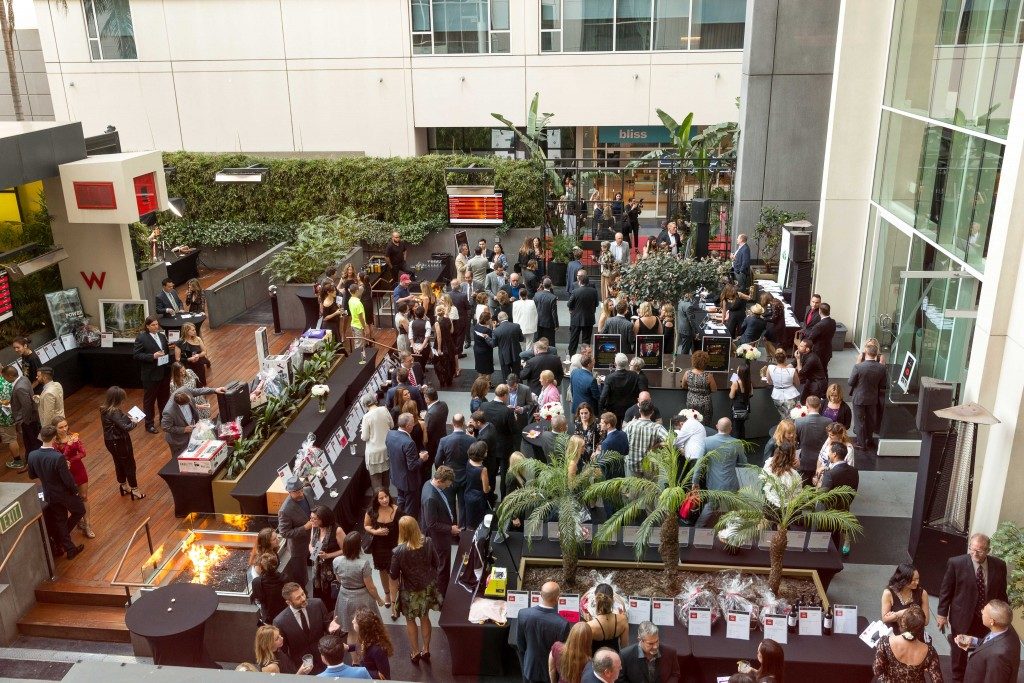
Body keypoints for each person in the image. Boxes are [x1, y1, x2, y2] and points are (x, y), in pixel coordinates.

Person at [937, 533, 1009, 682]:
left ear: (988, 550)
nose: (974, 553)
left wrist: (1004, 616)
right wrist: (942, 614)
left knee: (984, 649)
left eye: (980, 550)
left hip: (988, 619)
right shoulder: (956, 563)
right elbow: (946, 590)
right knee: (959, 652)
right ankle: (958, 678)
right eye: (972, 549)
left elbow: (1002, 594)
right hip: (962, 616)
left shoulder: (999, 565)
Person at [390, 517, 442, 664]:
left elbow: (393, 575)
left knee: (410, 620)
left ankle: (414, 652)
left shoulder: (398, 551)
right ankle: (426, 650)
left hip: (409, 592)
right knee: (425, 617)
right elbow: (437, 563)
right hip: (426, 588)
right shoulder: (428, 542)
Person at [28, 425, 85, 560]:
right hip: (64, 493)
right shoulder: (57, 457)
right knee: (79, 511)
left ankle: (68, 547)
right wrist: (75, 491)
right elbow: (67, 480)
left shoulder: (32, 455)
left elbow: (32, 475)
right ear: (54, 438)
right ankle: (61, 539)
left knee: (60, 520)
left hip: (49, 493)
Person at [331, 530, 385, 650]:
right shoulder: (363, 564)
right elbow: (370, 587)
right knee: (366, 631)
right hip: (362, 598)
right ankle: (367, 657)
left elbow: (339, 579)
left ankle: (355, 660)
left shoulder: (337, 561)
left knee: (351, 632)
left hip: (344, 596)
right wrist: (379, 599)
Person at [273, 582, 337, 674]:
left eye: (303, 594)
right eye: (298, 598)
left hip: (323, 658)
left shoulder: (318, 604)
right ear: (288, 602)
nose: (303, 598)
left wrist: (330, 628)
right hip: (301, 666)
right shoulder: (280, 621)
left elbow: (326, 624)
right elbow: (283, 650)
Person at [517, 580, 571, 683]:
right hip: (550, 673)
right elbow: (561, 654)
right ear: (558, 598)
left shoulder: (523, 614)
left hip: (530, 667)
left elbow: (520, 645)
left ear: (541, 594)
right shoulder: (563, 624)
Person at [872, 606, 942, 683]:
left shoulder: (885, 642)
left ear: (902, 624)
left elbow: (877, 671)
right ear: (921, 628)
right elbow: (937, 680)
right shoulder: (930, 652)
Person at [697, 418, 748, 526]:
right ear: (730, 429)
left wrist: (695, 481)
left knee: (711, 506)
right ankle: (732, 531)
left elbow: (699, 463)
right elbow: (744, 463)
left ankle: (698, 528)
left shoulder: (707, 441)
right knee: (733, 508)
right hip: (731, 482)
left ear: (716, 426)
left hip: (714, 482)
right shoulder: (737, 443)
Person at [363, 488, 401, 621]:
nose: (385, 500)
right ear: (376, 500)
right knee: (382, 571)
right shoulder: (372, 511)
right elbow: (366, 525)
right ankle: (387, 594)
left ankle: (394, 604)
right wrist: (375, 532)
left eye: (386, 496)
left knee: (394, 574)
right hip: (378, 547)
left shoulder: (397, 510)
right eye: (381, 498)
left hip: (394, 546)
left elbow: (403, 527)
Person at [960, 599, 1020, 683]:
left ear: (992, 621)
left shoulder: (999, 657)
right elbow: (993, 642)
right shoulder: (1006, 628)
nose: (982, 612)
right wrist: (974, 641)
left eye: (983, 611)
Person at [99, 386, 143, 500]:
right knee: (129, 464)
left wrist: (126, 417)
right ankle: (135, 489)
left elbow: (118, 422)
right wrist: (134, 421)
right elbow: (126, 427)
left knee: (118, 462)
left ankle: (123, 485)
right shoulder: (114, 412)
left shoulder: (104, 409)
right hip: (119, 442)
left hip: (110, 442)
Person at [420, 465, 458, 596]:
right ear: (440, 481)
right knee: (443, 567)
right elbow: (432, 524)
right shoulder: (431, 497)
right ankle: (442, 596)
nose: (448, 487)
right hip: (438, 539)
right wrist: (450, 529)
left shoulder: (428, 484)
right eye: (447, 484)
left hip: (440, 535)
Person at [52, 417, 92, 538]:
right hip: (66, 474)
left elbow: (83, 452)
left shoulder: (74, 436)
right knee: (73, 498)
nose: (64, 429)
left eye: (65, 426)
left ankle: (88, 524)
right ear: (55, 429)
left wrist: (71, 459)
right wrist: (68, 447)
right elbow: (59, 459)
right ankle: (78, 519)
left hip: (78, 469)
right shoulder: (54, 443)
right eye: (61, 427)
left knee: (84, 497)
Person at [160, 386, 224, 458]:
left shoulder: (185, 389)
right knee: (183, 458)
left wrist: (215, 390)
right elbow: (165, 427)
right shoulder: (169, 412)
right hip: (179, 440)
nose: (190, 402)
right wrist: (183, 429)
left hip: (194, 432)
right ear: (181, 405)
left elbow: (199, 391)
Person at [133, 316, 172, 433]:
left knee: (164, 398)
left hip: (164, 372)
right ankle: (149, 424)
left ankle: (164, 420)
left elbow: (166, 350)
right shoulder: (141, 338)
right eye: (153, 325)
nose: (156, 327)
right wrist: (152, 356)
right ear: (147, 326)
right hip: (151, 375)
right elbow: (136, 355)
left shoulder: (161, 336)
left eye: (157, 324)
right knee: (149, 401)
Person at [818, 442, 859, 555]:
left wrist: (819, 482)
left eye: (829, 452)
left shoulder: (830, 474)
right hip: (844, 508)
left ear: (834, 454)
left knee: (826, 539)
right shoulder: (854, 471)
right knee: (836, 537)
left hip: (828, 513)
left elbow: (822, 496)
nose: (828, 454)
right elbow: (853, 490)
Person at [387, 413, 429, 520]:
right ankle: (409, 528)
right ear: (407, 426)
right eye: (412, 423)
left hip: (396, 477)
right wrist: (421, 459)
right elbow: (413, 466)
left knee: (401, 500)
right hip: (409, 482)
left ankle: (398, 521)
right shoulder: (409, 443)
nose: (414, 425)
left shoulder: (390, 434)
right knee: (411, 509)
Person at [848, 342, 888, 451]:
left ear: (866, 353)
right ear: (876, 354)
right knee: (870, 421)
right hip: (872, 398)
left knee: (859, 421)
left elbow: (850, 382)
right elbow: (883, 383)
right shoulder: (881, 368)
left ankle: (861, 443)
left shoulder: (858, 367)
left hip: (859, 398)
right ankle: (869, 440)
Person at [480, 384, 517, 498]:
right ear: (505, 395)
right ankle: (504, 499)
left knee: (491, 473)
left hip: (489, 446)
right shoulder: (507, 412)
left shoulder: (484, 406)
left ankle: (489, 497)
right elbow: (514, 430)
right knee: (505, 475)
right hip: (504, 448)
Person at [278, 477, 317, 584]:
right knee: (301, 575)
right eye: (296, 492)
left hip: (314, 538)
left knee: (317, 559)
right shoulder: (285, 510)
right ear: (289, 492)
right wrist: (305, 527)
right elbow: (284, 533)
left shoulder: (307, 491)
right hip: (299, 547)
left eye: (301, 490)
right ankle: (304, 594)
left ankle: (318, 580)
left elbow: (314, 508)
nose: (300, 494)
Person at [308, 505, 344, 606]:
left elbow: (346, 550)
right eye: (311, 518)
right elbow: (311, 543)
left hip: (332, 570)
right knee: (318, 596)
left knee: (331, 597)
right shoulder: (314, 527)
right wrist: (312, 551)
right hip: (317, 570)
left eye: (314, 519)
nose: (311, 521)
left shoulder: (337, 530)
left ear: (324, 519)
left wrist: (328, 555)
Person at [4, 365, 39, 464]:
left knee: (31, 442)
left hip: (28, 420)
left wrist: (25, 421)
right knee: (32, 441)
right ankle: (30, 462)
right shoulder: (24, 378)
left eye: (5, 377)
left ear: (10, 376)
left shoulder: (19, 388)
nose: (5, 380)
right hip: (31, 418)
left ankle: (34, 463)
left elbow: (26, 405)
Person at [623, 400, 667, 477]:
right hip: (650, 466)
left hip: (632, 463)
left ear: (639, 410)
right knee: (650, 489)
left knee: (633, 488)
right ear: (652, 412)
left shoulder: (630, 425)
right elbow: (670, 441)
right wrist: (658, 445)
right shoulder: (657, 428)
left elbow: (622, 441)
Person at [359, 393, 393, 491]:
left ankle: (378, 504)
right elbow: (391, 425)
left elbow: (365, 437)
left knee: (377, 484)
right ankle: (388, 500)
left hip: (374, 454)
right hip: (386, 449)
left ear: (365, 405)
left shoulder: (367, 417)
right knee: (386, 480)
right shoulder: (384, 409)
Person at [795, 396, 831, 485]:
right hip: (823, 462)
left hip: (804, 461)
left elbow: (795, 442)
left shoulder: (798, 422)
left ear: (807, 405)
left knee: (805, 488)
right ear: (819, 406)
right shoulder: (829, 421)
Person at [882, 564, 931, 629]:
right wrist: (913, 614)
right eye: (913, 580)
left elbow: (926, 621)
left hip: (914, 632)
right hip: (894, 633)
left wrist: (898, 614)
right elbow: (885, 619)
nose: (917, 582)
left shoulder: (922, 593)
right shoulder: (888, 593)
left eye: (918, 579)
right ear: (903, 580)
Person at [599, 353, 642, 427]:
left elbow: (603, 396)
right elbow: (639, 391)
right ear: (627, 363)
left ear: (615, 364)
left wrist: (601, 410)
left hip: (614, 410)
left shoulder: (609, 377)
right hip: (630, 409)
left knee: (615, 431)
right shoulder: (634, 375)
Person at [583, 583, 628, 653]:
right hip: (615, 658)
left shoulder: (590, 626)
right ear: (612, 599)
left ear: (596, 600)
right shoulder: (623, 620)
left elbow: (586, 651)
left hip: (596, 660)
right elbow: (625, 647)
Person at [351, 607, 393, 680]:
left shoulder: (378, 650)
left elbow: (385, 676)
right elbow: (359, 645)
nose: (352, 621)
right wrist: (348, 647)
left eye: (355, 621)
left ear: (362, 627)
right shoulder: (363, 637)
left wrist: (373, 674)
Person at [760, 349, 799, 420]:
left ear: (775, 359)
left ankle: (783, 427)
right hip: (791, 395)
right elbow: (797, 383)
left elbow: (769, 382)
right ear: (786, 359)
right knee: (792, 415)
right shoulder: (792, 371)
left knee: (783, 414)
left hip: (777, 395)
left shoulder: (770, 368)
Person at [251, 552, 287, 625]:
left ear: (261, 567)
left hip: (269, 618)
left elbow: (258, 600)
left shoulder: (257, 582)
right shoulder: (285, 578)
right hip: (284, 615)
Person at [682, 351, 717, 426]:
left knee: (692, 422)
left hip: (691, 401)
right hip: (705, 403)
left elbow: (683, 386)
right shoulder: (709, 376)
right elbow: (714, 389)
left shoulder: (687, 373)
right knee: (705, 424)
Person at [761, 443, 801, 510]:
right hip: (786, 511)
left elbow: (763, 479)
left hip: (769, 505)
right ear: (792, 457)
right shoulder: (794, 475)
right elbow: (797, 495)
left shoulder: (768, 464)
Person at [567, 272, 599, 355]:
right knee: (586, 340)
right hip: (589, 319)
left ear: (580, 282)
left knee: (574, 339)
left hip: (576, 319)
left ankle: (571, 357)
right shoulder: (594, 291)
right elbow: (597, 304)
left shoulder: (575, 291)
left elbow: (569, 304)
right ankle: (585, 357)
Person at [463, 441, 492, 529]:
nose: (487, 452)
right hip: (478, 498)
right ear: (481, 454)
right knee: (479, 523)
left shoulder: (469, 461)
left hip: (468, 494)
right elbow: (486, 489)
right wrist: (490, 487)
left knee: (470, 521)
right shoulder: (483, 470)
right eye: (485, 451)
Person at [804, 302, 837, 377]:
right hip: (827, 350)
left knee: (817, 371)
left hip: (818, 351)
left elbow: (811, 338)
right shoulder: (833, 322)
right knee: (824, 369)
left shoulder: (818, 325)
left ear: (820, 311)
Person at [176, 322, 210, 386]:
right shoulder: (179, 343)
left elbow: (204, 351)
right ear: (186, 331)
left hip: (199, 364)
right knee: (192, 384)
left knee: (201, 383)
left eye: (194, 329)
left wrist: (198, 355)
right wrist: (189, 359)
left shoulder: (198, 339)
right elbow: (177, 359)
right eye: (192, 330)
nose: (195, 331)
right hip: (188, 366)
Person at [493, 311, 525, 380]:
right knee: (517, 374)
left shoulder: (496, 330)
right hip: (516, 353)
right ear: (507, 316)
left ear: (498, 319)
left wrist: (487, 337)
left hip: (504, 355)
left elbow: (494, 344)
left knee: (506, 375)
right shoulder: (516, 326)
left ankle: (507, 388)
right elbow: (522, 339)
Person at [729, 362, 753, 440]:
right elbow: (751, 394)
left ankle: (735, 448)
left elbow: (731, 396)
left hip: (737, 408)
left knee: (735, 428)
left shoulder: (735, 383)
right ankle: (743, 444)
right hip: (745, 407)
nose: (736, 369)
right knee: (742, 427)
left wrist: (732, 385)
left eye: (738, 369)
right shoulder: (749, 382)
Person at [534, 279, 560, 350]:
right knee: (550, 341)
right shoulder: (553, 297)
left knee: (538, 340)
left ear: (543, 284)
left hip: (538, 322)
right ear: (551, 285)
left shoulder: (536, 295)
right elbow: (554, 313)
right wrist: (556, 324)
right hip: (549, 323)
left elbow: (534, 308)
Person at [473, 309, 496, 378]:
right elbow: (493, 342)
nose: (491, 320)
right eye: (490, 319)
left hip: (477, 349)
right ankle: (488, 383)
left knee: (480, 368)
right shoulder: (487, 330)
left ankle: (480, 382)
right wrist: (494, 328)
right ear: (486, 321)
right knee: (488, 369)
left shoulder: (476, 326)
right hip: (486, 352)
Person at [349, 282, 368, 354]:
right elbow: (361, 317)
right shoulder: (358, 303)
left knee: (357, 343)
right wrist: (365, 327)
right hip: (358, 326)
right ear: (357, 291)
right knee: (359, 345)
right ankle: (358, 360)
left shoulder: (350, 300)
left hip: (353, 324)